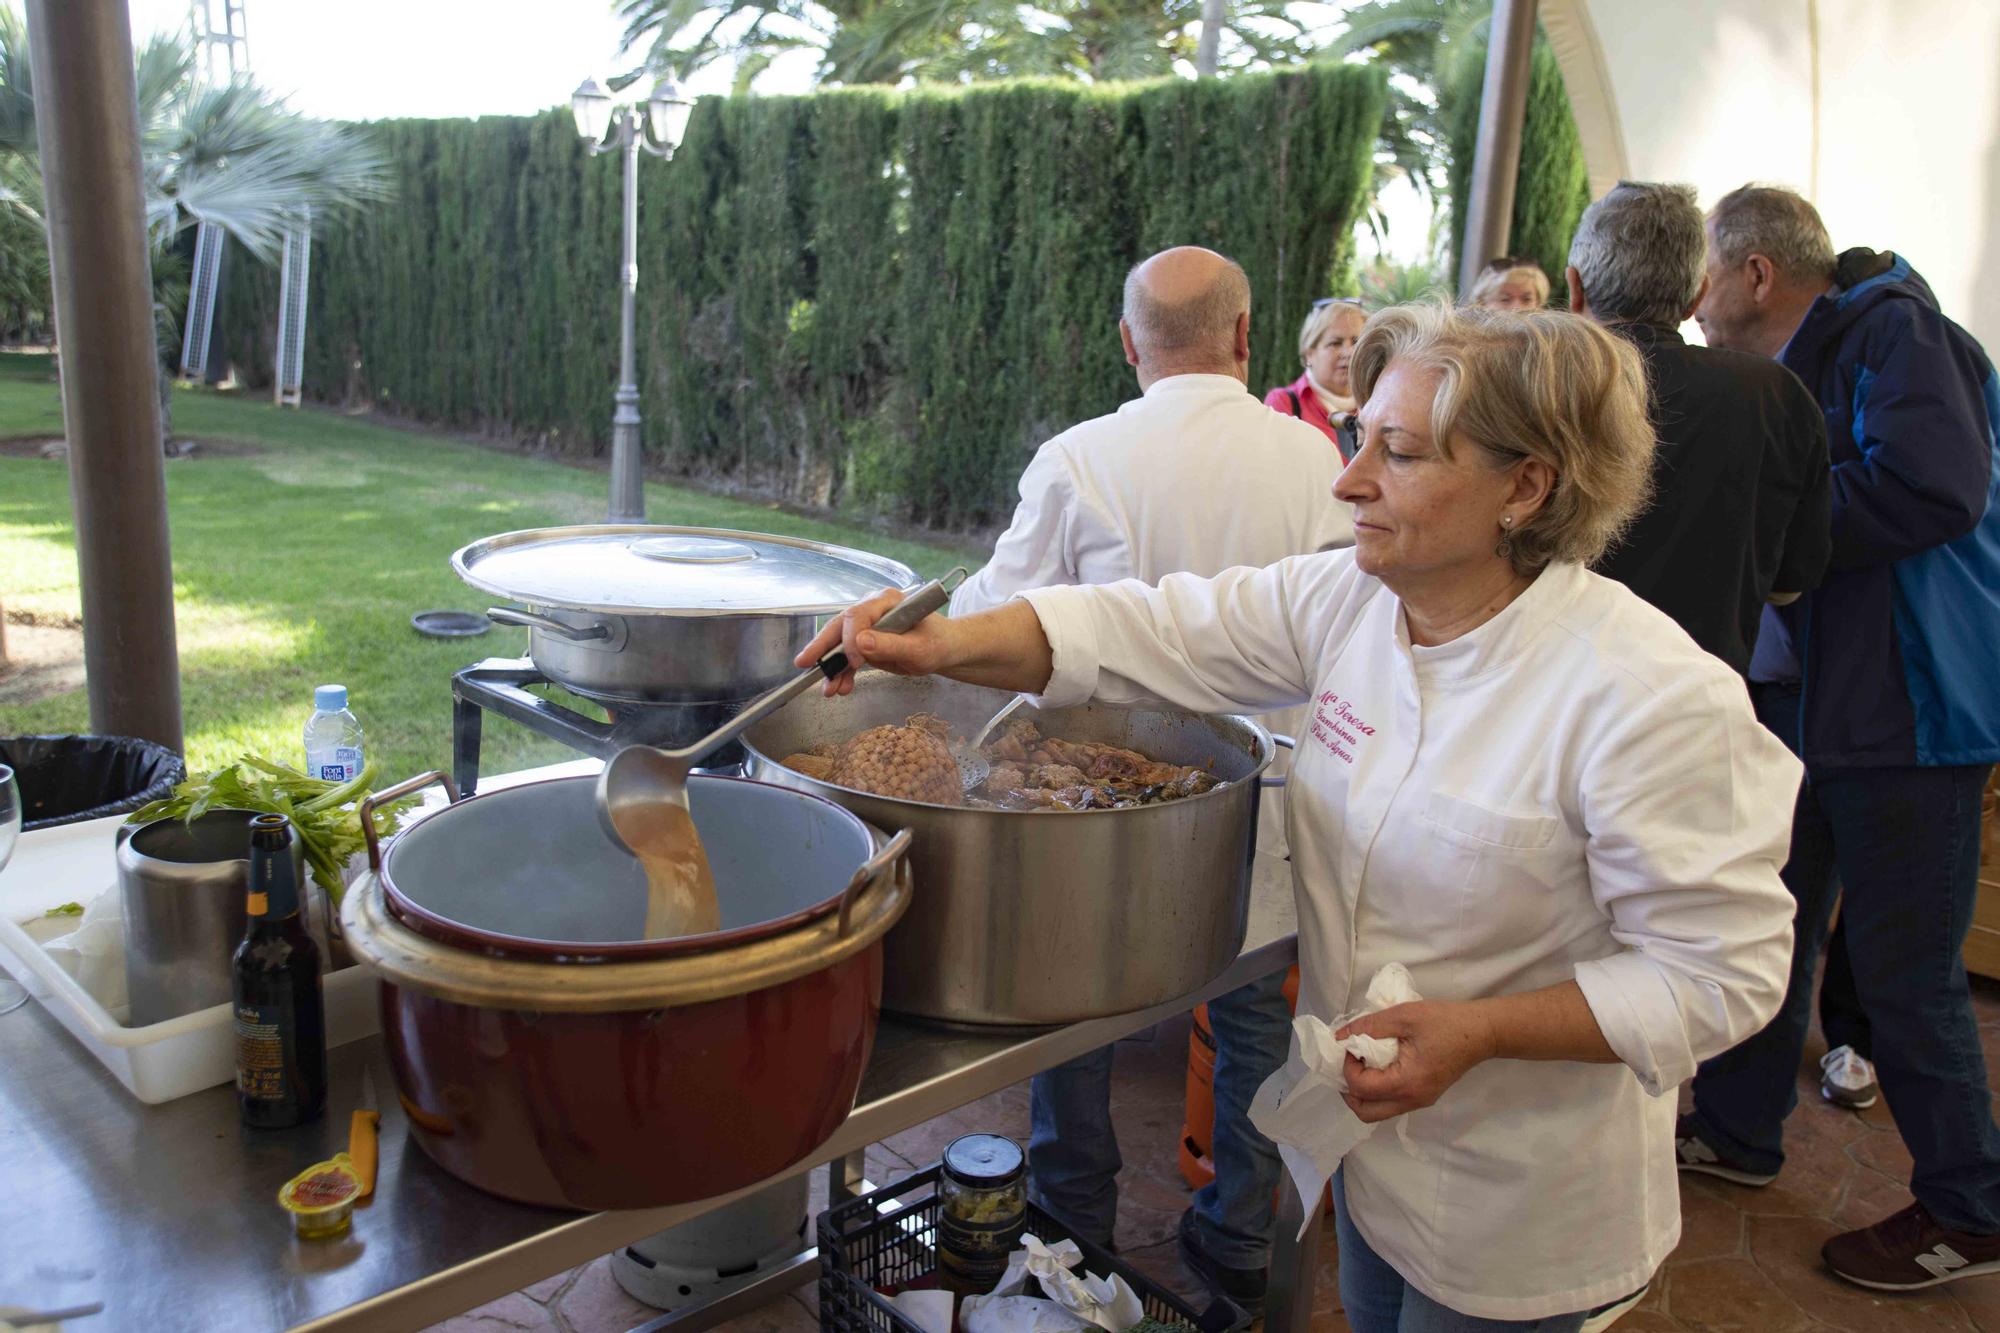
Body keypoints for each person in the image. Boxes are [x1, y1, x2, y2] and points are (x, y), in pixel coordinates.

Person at [807, 302, 1800, 1330]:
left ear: (1526, 485)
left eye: (1399, 452)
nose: (1347, 479)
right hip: (1367, 1161)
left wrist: (1479, 1030)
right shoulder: (1353, 602)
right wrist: (940, 642)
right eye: (1357, 436)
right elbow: (1144, 624)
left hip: (1523, 1205)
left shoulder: (1645, 694)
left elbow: (1719, 971)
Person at [949, 246, 1353, 1315]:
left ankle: (1068, 1217)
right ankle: (1236, 1232)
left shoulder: (1080, 455)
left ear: (1129, 344)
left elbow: (1001, 614)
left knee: (1069, 1003)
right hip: (1269, 801)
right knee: (1254, 1010)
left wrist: (910, 629)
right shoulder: (1319, 459)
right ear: (1244, 336)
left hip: (1108, 809)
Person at [1680, 184, 2000, 1289]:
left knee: (1907, 976)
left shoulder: (1898, 335)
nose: (1694, 299)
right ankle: (1733, 1127)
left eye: (1706, 274)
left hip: (1907, 710)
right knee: (1769, 920)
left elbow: (1932, 488)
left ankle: (1969, 1206)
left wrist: (1760, 536)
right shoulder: (1801, 362)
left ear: (1756, 276)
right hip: (1816, 705)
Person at [1565, 180, 1831, 674]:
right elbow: (1790, 582)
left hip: (1550, 700)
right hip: (1699, 706)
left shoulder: (1537, 388)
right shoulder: (1774, 395)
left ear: (1574, 286)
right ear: (1697, 295)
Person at [1264, 297, 1365, 461]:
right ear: (1309, 353)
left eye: (1356, 341)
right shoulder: (1283, 404)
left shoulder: (1376, 404)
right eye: (1335, 343)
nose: (1349, 352)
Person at [1467, 256, 1549, 311]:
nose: (1517, 308)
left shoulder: (1550, 336)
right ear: (1482, 303)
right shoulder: (1465, 336)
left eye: (1527, 299)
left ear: (1538, 304)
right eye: (1505, 299)